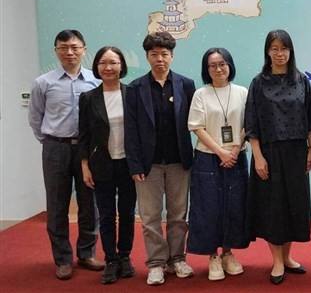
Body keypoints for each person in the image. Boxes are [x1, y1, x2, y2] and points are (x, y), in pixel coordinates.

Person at [28, 29, 104, 280]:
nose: (69, 53)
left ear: (84, 49)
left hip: (87, 152)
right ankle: (62, 259)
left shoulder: (96, 81)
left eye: (74, 47)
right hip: (55, 149)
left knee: (89, 204)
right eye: (63, 48)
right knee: (57, 205)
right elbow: (35, 119)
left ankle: (86, 253)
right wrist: (52, 142)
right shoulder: (43, 83)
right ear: (56, 51)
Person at [246, 30, 311, 285]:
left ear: (291, 51)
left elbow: (310, 119)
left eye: (284, 48)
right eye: (274, 48)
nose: (279, 53)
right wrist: (258, 157)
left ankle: (287, 257)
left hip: (297, 152)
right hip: (269, 153)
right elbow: (251, 123)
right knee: (273, 207)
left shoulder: (301, 80)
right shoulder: (259, 82)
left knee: (293, 206)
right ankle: (276, 261)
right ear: (267, 51)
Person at [125, 31, 196, 286]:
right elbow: (130, 130)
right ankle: (156, 263)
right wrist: (134, 164)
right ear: (147, 56)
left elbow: (194, 123)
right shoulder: (135, 88)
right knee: (151, 217)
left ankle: (177, 258)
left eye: (164, 54)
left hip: (179, 161)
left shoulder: (186, 85)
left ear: (172, 56)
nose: (160, 59)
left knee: (178, 215)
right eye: (154, 54)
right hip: (148, 164)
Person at [186, 48, 249, 281]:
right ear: (206, 69)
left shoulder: (242, 92)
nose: (218, 69)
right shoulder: (201, 94)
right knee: (208, 207)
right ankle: (212, 255)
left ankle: (228, 253)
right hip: (208, 157)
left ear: (230, 65)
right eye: (212, 65)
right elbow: (197, 127)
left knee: (234, 206)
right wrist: (220, 151)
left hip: (237, 156)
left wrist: (233, 149)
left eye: (222, 64)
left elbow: (248, 123)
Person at [78, 46, 136, 284]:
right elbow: (83, 134)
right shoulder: (88, 98)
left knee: (127, 213)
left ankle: (124, 257)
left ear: (121, 66)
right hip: (101, 164)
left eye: (113, 62)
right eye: (103, 63)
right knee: (106, 214)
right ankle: (110, 259)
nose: (108, 67)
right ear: (97, 67)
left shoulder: (132, 94)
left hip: (128, 164)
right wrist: (84, 165)